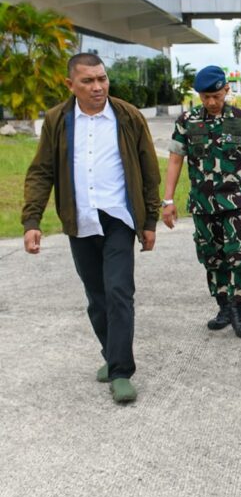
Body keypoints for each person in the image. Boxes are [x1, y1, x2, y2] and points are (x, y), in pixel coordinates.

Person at [22, 53, 160, 404]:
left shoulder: (127, 116)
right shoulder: (58, 120)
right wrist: (32, 221)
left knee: (118, 292)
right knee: (96, 299)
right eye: (88, 81)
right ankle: (111, 354)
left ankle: (120, 372)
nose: (98, 87)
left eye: (102, 79)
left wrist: (149, 221)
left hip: (118, 217)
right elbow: (41, 172)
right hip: (80, 219)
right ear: (70, 84)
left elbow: (148, 168)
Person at [162, 65, 241, 338]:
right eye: (205, 96)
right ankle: (223, 304)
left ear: (226, 90)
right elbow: (176, 160)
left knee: (239, 254)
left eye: (216, 96)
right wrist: (168, 200)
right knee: (211, 255)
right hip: (203, 202)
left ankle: (239, 309)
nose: (211, 102)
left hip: (235, 202)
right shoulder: (187, 121)